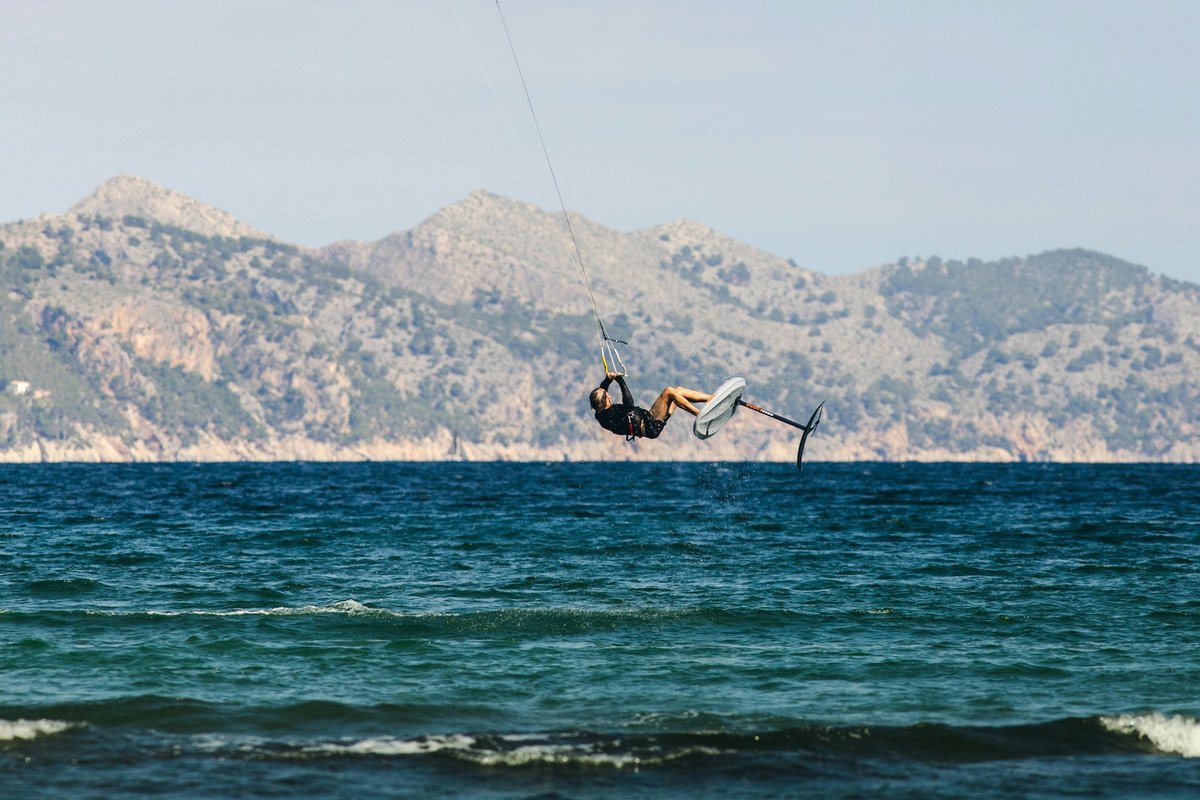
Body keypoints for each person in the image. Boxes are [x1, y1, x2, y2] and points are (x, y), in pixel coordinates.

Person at [589, 372, 712, 440]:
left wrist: (608, 379)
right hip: (649, 425)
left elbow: (601, 390)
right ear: (604, 402)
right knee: (669, 391)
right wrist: (620, 380)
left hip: (649, 419)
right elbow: (629, 404)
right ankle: (700, 415)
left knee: (677, 392)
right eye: (607, 396)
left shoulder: (600, 413)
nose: (609, 395)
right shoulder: (611, 414)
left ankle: (711, 398)